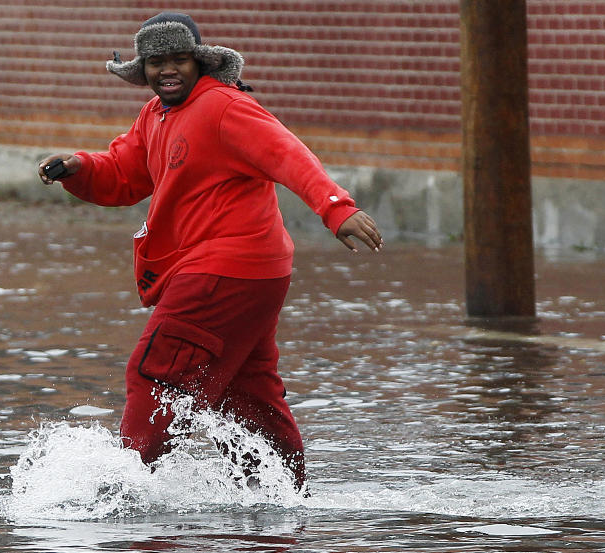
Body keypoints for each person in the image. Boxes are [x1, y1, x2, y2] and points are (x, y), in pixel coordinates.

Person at [37, 12, 382, 490]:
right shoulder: (155, 114)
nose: (168, 70)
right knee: (246, 392)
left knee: (155, 372)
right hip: (247, 274)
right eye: (157, 62)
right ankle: (278, 498)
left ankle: (127, 490)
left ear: (200, 63)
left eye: (179, 59)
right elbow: (125, 172)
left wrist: (335, 208)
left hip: (226, 268)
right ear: (145, 70)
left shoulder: (224, 106)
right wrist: (77, 167)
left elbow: (287, 153)